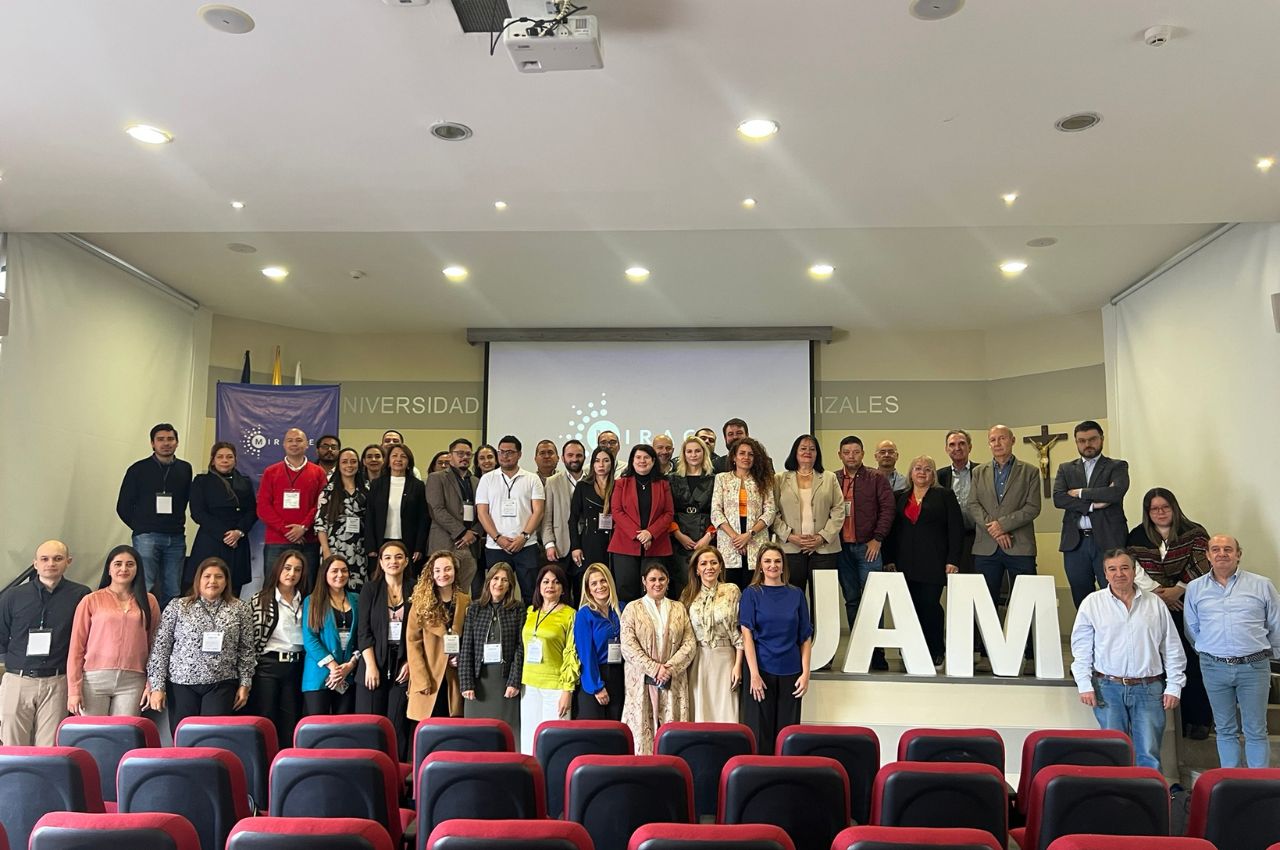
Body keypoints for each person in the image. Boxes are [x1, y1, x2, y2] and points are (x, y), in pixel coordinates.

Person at [1070, 549, 1186, 773]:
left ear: (1134, 571)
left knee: (1149, 755)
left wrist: (1174, 685)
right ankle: (1115, 804)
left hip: (1149, 688)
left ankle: (1147, 805)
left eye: (1124, 568)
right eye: (1112, 569)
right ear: (1105, 574)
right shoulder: (1092, 604)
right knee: (1113, 754)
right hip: (1107, 688)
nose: (1119, 574)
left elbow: (1171, 647)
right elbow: (1082, 649)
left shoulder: (1155, 604)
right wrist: (1084, 684)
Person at [1184, 535, 1280, 768]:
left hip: (1254, 667)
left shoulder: (1261, 584)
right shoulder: (1195, 588)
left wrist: (1270, 654)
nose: (1222, 553)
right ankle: (1231, 783)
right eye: (1215, 549)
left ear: (1238, 554)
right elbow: (1192, 628)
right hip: (1213, 667)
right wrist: (1211, 651)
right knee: (1224, 728)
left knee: (1255, 729)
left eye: (1228, 549)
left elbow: (1276, 624)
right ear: (1207, 556)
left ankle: (1258, 787)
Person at [1126, 487, 1212, 738]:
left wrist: (1179, 589)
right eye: (1154, 509)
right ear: (1147, 512)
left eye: (1165, 507)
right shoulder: (1137, 536)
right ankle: (1175, 721)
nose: (1160, 512)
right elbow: (1135, 569)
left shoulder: (1194, 532)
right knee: (1164, 663)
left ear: (1174, 508)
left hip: (1189, 604)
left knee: (1192, 662)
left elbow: (1201, 563)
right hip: (1156, 604)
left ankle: (1200, 720)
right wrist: (1160, 592)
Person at [146, 557, 255, 737]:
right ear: (198, 580)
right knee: (184, 737)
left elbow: (246, 650)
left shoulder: (240, 609)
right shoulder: (178, 606)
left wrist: (245, 683)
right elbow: (161, 647)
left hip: (221, 683)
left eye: (219, 577)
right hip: (182, 684)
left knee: (213, 737)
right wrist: (157, 686)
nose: (212, 581)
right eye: (207, 576)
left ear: (226, 581)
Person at [0, 541, 89, 744]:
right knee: (12, 746)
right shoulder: (13, 596)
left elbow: (84, 637)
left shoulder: (81, 595)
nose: (51, 563)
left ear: (68, 562)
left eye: (57, 559)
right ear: (35, 563)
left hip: (57, 682)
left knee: (49, 748)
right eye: (45, 559)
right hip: (18, 680)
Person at [884, 456, 964, 666]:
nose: (922, 472)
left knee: (930, 605)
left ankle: (936, 648)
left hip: (934, 563)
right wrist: (890, 558)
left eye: (927, 469)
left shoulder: (945, 495)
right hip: (904, 563)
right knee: (908, 607)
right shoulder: (899, 497)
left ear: (933, 474)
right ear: (911, 473)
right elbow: (892, 531)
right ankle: (910, 649)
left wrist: (953, 560)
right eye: (917, 468)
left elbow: (955, 530)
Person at [68, 546, 160, 717]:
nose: (124, 569)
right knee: (93, 735)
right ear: (109, 569)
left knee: (124, 735)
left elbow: (155, 646)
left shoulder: (149, 601)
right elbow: (76, 647)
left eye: (130, 564)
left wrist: (151, 684)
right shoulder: (91, 600)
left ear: (137, 569)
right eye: (118, 564)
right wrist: (73, 690)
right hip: (94, 679)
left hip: (133, 680)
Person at [739, 544, 812, 756]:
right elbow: (747, 636)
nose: (773, 565)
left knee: (788, 737)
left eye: (777, 561)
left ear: (783, 566)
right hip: (760, 672)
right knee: (760, 736)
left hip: (791, 673)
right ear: (760, 566)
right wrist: (753, 674)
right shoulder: (751, 593)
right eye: (768, 561)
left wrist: (806, 673)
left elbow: (805, 636)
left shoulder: (796, 594)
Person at [966, 424, 1042, 617]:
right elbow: (973, 504)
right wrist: (996, 530)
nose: (997, 443)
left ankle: (1027, 647)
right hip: (986, 548)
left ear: (1013, 440)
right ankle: (985, 648)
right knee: (985, 603)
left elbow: (1033, 507)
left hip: (1020, 546)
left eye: (1002, 438)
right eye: (993, 440)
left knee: (1024, 602)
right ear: (989, 444)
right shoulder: (978, 472)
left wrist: (1003, 525)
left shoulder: (1030, 472)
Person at [1053, 421, 1130, 608]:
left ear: (1101, 439)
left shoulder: (1117, 466)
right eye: (1082, 441)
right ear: (1076, 442)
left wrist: (1080, 493)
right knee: (1081, 597)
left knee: (1114, 594)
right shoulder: (1066, 468)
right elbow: (1059, 499)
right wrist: (1092, 506)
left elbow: (1115, 493)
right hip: (1075, 542)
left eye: (1092, 439)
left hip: (1108, 541)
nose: (1087, 444)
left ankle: (1115, 636)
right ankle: (1088, 636)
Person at [621, 562, 696, 754]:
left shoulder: (679, 608)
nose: (657, 583)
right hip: (642, 680)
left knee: (671, 737)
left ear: (668, 582)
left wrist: (668, 669)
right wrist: (655, 669)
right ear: (644, 582)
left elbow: (689, 643)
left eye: (662, 579)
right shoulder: (632, 608)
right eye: (652, 579)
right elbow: (628, 645)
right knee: (642, 737)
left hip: (672, 679)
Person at [835, 436, 896, 670]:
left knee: (873, 599)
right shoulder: (833, 478)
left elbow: (888, 509)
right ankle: (859, 646)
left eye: (856, 452)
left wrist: (878, 539)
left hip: (868, 547)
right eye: (847, 452)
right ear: (840, 454)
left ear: (863, 454)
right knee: (851, 598)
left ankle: (877, 651)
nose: (852, 456)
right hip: (841, 549)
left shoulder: (876, 478)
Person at [116, 423, 193, 609]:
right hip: (147, 536)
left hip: (175, 536)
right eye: (160, 440)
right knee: (145, 585)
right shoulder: (138, 469)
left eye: (170, 439)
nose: (166, 443)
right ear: (152, 443)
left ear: (177, 443)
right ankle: (144, 627)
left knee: (173, 588)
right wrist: (141, 526)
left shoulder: (185, 469)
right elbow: (123, 506)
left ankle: (169, 631)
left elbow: (185, 500)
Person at [357, 541, 416, 761]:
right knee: (370, 725)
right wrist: (371, 666)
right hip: (373, 660)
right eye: (388, 557)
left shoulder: (415, 589)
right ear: (380, 562)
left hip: (404, 662)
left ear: (407, 561)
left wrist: (411, 662)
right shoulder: (370, 589)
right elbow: (363, 631)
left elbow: (420, 633)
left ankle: (397, 774)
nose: (394, 561)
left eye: (399, 556)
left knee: (397, 724)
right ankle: (371, 770)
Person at [246, 549, 306, 746]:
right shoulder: (260, 599)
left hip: (296, 666)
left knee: (291, 721)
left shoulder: (307, 601)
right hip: (268, 666)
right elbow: (249, 641)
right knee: (266, 719)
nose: (292, 574)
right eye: (287, 568)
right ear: (278, 569)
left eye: (297, 570)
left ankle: (287, 766)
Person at [476, 436, 546, 604]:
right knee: (497, 595)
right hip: (496, 546)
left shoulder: (531, 479)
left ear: (519, 454)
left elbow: (538, 511)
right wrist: (498, 538)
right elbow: (482, 513)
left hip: (526, 546)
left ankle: (529, 629)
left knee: (531, 594)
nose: (505, 456)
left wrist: (524, 536)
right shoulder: (487, 479)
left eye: (510, 452)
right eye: (501, 452)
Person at [519, 564, 579, 755]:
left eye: (556, 582)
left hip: (555, 687)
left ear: (562, 588)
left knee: (554, 744)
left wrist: (567, 690)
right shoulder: (530, 611)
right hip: (529, 685)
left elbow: (572, 652)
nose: (550, 586)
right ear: (539, 586)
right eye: (545, 582)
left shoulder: (570, 614)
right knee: (529, 742)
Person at [773, 434, 844, 595]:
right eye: (803, 448)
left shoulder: (829, 478)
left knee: (823, 600)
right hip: (790, 548)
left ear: (817, 453)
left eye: (812, 449)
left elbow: (839, 510)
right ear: (795, 452)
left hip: (824, 549)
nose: (808, 452)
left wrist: (822, 537)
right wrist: (790, 536)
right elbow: (772, 512)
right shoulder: (780, 479)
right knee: (792, 598)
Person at [458, 562, 524, 733]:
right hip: (479, 682)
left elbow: (520, 647)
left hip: (505, 682)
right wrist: (466, 683)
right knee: (476, 733)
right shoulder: (474, 608)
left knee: (505, 732)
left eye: (505, 580)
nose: (499, 584)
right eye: (496, 578)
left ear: (510, 585)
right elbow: (467, 648)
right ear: (488, 581)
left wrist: (514, 681)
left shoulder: (518, 609)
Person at [680, 546, 742, 723]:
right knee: (700, 711)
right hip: (698, 659)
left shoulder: (732, 590)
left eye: (714, 563)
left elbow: (739, 631)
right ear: (697, 570)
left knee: (726, 710)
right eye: (704, 563)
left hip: (726, 658)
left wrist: (738, 665)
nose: (709, 567)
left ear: (721, 566)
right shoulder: (688, 595)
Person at [258, 428, 328, 583]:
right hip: (276, 541)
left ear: (307, 444)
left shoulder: (318, 472)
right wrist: (286, 530)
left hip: (308, 541)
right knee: (272, 586)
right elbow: (263, 507)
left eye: (299, 440)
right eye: (290, 440)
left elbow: (322, 505)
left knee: (307, 588)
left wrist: (303, 527)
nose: (294, 444)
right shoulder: (271, 472)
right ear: (283, 444)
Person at [188, 442, 258, 597]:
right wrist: (224, 534)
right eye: (220, 457)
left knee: (234, 589)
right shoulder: (201, 481)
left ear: (235, 460)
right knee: (207, 587)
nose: (224, 460)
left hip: (237, 541)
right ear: (213, 460)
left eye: (229, 457)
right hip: (211, 540)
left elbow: (253, 511)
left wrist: (239, 532)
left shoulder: (245, 482)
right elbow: (197, 512)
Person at [407, 550, 470, 723]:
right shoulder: (420, 604)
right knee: (426, 735)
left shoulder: (465, 601)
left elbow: (471, 638)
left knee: (451, 733)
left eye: (447, 569)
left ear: (455, 572)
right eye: (437, 570)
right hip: (429, 677)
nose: (443, 574)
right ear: (431, 574)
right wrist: (421, 680)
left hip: (454, 678)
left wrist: (461, 658)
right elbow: (413, 644)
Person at [608, 444, 675, 605]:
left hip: (656, 545)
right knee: (625, 589)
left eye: (646, 457)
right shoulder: (621, 483)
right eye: (638, 457)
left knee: (654, 589)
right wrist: (639, 535)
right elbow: (616, 512)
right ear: (632, 460)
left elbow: (668, 513)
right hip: (625, 545)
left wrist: (650, 533)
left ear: (653, 461)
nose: (642, 461)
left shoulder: (663, 484)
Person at [713, 437, 777, 588]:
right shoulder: (722, 478)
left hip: (756, 537)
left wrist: (748, 535)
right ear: (734, 457)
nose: (746, 457)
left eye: (751, 454)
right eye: (742, 453)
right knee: (729, 591)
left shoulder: (763, 480)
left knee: (755, 588)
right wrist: (736, 538)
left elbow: (770, 511)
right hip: (729, 540)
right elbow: (716, 512)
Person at [301, 555, 359, 715]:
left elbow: (362, 637)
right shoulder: (312, 601)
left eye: (344, 571)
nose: (340, 575)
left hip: (348, 674)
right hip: (319, 675)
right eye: (334, 571)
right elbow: (310, 639)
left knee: (344, 728)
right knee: (317, 728)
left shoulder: (357, 600)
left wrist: (350, 665)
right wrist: (334, 667)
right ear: (324, 574)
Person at [426, 438, 483, 598]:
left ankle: (459, 623)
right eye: (459, 453)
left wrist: (474, 533)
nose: (464, 457)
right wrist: (462, 532)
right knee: (439, 593)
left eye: (468, 454)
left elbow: (484, 512)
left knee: (462, 594)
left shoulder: (476, 481)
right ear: (451, 456)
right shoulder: (437, 478)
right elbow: (437, 510)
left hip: (470, 546)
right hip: (446, 543)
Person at [365, 444, 429, 568]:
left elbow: (423, 518)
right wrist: (371, 546)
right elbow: (370, 516)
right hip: (381, 542)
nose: (398, 459)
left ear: (409, 462)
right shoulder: (377, 484)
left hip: (408, 543)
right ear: (388, 461)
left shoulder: (418, 486)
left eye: (403, 456)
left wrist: (419, 547)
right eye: (394, 456)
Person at [573, 563, 623, 721]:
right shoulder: (585, 614)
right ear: (588, 589)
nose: (599, 586)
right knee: (595, 734)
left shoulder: (622, 609)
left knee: (617, 732)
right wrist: (597, 686)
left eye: (603, 581)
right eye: (593, 583)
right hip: (595, 676)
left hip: (619, 675)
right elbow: (586, 655)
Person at [315, 447, 370, 590]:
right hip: (335, 548)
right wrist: (326, 550)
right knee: (334, 587)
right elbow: (320, 524)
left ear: (359, 465)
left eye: (353, 462)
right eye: (344, 462)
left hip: (360, 549)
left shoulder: (367, 490)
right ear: (338, 465)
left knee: (358, 590)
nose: (349, 465)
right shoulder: (329, 491)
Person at [541, 440, 587, 602]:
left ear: (585, 457)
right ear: (562, 457)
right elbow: (546, 518)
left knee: (584, 594)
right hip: (561, 548)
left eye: (579, 455)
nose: (574, 459)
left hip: (587, 544)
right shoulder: (553, 481)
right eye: (570, 455)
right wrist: (549, 544)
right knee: (563, 596)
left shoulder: (593, 478)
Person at [569, 447, 616, 577]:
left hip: (613, 539)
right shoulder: (583, 486)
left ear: (612, 464)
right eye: (597, 461)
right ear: (592, 464)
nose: (601, 465)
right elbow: (573, 519)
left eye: (606, 460)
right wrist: (575, 547)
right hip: (590, 541)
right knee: (590, 579)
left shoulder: (618, 486)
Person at [936, 429, 978, 573]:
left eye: (962, 444)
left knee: (978, 584)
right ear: (946, 449)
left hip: (977, 537)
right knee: (954, 585)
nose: (957, 448)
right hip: (950, 541)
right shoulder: (939, 476)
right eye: (952, 445)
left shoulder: (982, 471)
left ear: (970, 447)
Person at [669, 436, 716, 563]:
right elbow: (667, 510)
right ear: (683, 454)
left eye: (697, 451)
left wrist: (708, 536)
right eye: (689, 451)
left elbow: (719, 511)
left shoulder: (714, 479)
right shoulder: (672, 479)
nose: (693, 455)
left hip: (706, 535)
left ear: (704, 452)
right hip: (678, 537)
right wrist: (678, 535)